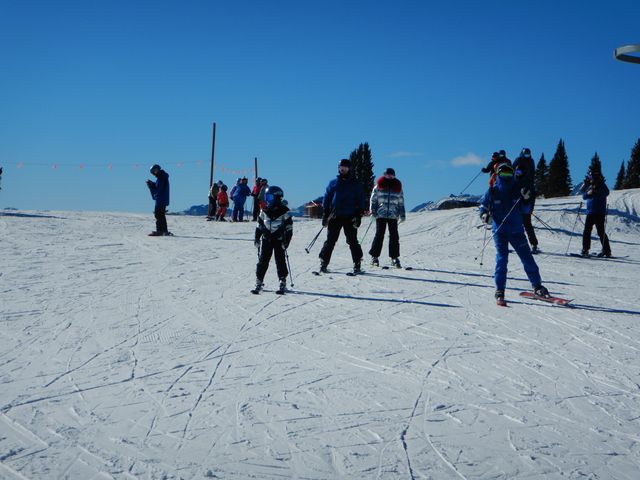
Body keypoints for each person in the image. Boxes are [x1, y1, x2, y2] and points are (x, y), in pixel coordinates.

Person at [479, 163, 549, 305]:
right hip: (500, 231)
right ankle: (500, 290)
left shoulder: (517, 190)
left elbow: (525, 210)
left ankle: (537, 286)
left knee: (527, 258)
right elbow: (483, 207)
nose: (506, 176)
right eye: (503, 173)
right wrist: (484, 216)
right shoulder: (492, 191)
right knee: (502, 259)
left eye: (509, 173)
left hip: (516, 231)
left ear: (513, 174)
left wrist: (526, 200)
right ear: (498, 174)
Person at [318, 159, 365, 274]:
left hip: (350, 216)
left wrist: (358, 215)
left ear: (349, 168)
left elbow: (360, 200)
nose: (342, 169)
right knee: (330, 240)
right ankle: (323, 263)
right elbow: (327, 198)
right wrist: (325, 213)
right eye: (340, 167)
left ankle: (357, 263)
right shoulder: (333, 183)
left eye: (344, 167)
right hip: (335, 216)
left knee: (352, 241)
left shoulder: (355, 184)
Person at [252, 185, 293, 294]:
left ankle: (282, 281)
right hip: (266, 239)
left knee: (280, 261)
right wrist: (257, 238)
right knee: (263, 261)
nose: (268, 200)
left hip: (279, 240)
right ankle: (259, 281)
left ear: (277, 198)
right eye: (267, 198)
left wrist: (286, 241)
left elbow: (289, 229)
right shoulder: (264, 211)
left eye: (269, 197)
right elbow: (259, 226)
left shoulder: (284, 211)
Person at [369, 167, 406, 268]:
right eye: (387, 175)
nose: (389, 176)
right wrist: (372, 212)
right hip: (381, 214)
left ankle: (394, 257)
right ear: (384, 175)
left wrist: (402, 214)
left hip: (393, 215)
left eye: (391, 175)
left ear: (394, 176)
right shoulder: (379, 186)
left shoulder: (398, 187)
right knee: (379, 235)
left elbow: (401, 202)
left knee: (394, 236)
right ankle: (374, 257)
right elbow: (373, 200)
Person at [580, 169, 612, 257]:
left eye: (591, 177)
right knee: (587, 231)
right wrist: (589, 193)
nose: (590, 179)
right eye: (590, 177)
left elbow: (606, 192)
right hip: (590, 212)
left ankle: (607, 251)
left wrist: (595, 191)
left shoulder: (601, 185)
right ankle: (585, 249)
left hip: (599, 212)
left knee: (600, 231)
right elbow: (584, 196)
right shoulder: (590, 186)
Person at [513, 147, 539, 253]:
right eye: (526, 154)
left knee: (527, 224)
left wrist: (531, 207)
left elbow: (532, 196)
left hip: (525, 206)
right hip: (516, 206)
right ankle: (515, 244)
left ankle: (534, 244)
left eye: (528, 154)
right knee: (514, 224)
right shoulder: (518, 160)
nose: (518, 173)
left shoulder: (528, 182)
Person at [146, 164, 171, 236]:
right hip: (162, 199)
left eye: (155, 171)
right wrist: (152, 184)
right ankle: (164, 231)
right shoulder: (162, 177)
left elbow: (158, 190)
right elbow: (158, 187)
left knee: (158, 215)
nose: (154, 173)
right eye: (153, 172)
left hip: (160, 199)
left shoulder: (161, 177)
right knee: (161, 215)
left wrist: (151, 186)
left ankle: (159, 230)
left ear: (158, 169)